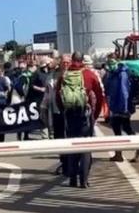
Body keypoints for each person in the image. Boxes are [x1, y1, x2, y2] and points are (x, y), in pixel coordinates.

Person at [56, 52, 104, 188]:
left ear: (72, 60)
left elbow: (58, 96)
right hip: (85, 116)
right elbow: (100, 95)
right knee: (85, 148)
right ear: (82, 60)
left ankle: (72, 179)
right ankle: (84, 180)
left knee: (72, 146)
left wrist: (63, 110)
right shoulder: (89, 74)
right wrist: (95, 114)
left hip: (70, 116)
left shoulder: (64, 75)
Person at [104, 54, 139, 163]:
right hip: (116, 106)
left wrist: (124, 108)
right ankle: (120, 153)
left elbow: (124, 92)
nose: (109, 64)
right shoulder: (113, 74)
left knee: (125, 128)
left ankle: (138, 151)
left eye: (111, 62)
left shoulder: (122, 74)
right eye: (108, 62)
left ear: (117, 61)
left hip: (122, 107)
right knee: (117, 128)